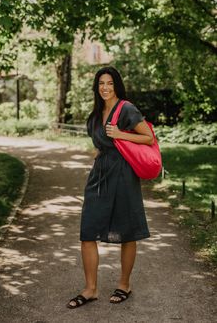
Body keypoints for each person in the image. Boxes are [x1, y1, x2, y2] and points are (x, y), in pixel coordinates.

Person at [66, 66, 154, 309]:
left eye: (110, 83)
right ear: (96, 87)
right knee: (87, 231)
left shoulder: (126, 108)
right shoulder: (95, 114)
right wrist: (96, 160)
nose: (105, 87)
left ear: (116, 85)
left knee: (127, 230)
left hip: (124, 175)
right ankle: (90, 288)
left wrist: (120, 134)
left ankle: (124, 284)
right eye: (101, 83)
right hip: (100, 176)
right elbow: (101, 145)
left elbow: (148, 137)